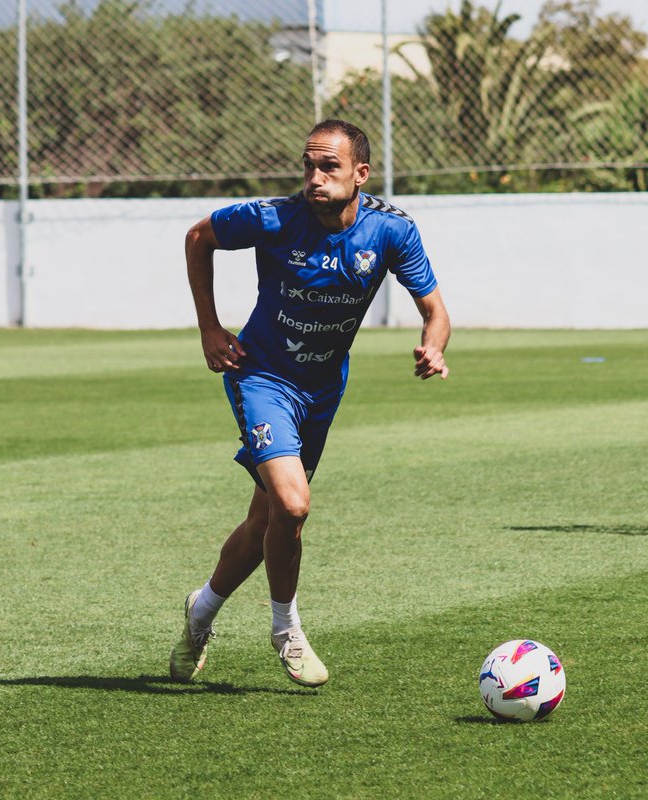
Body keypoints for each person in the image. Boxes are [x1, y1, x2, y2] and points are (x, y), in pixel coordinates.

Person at [170, 118, 450, 688]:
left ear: (361, 174)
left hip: (323, 388)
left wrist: (434, 347)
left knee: (268, 517)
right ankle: (286, 629)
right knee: (294, 505)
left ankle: (200, 613)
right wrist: (208, 327)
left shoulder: (390, 230)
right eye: (308, 166)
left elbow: (435, 311)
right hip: (262, 376)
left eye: (329, 167)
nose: (314, 178)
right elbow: (198, 237)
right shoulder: (273, 217)